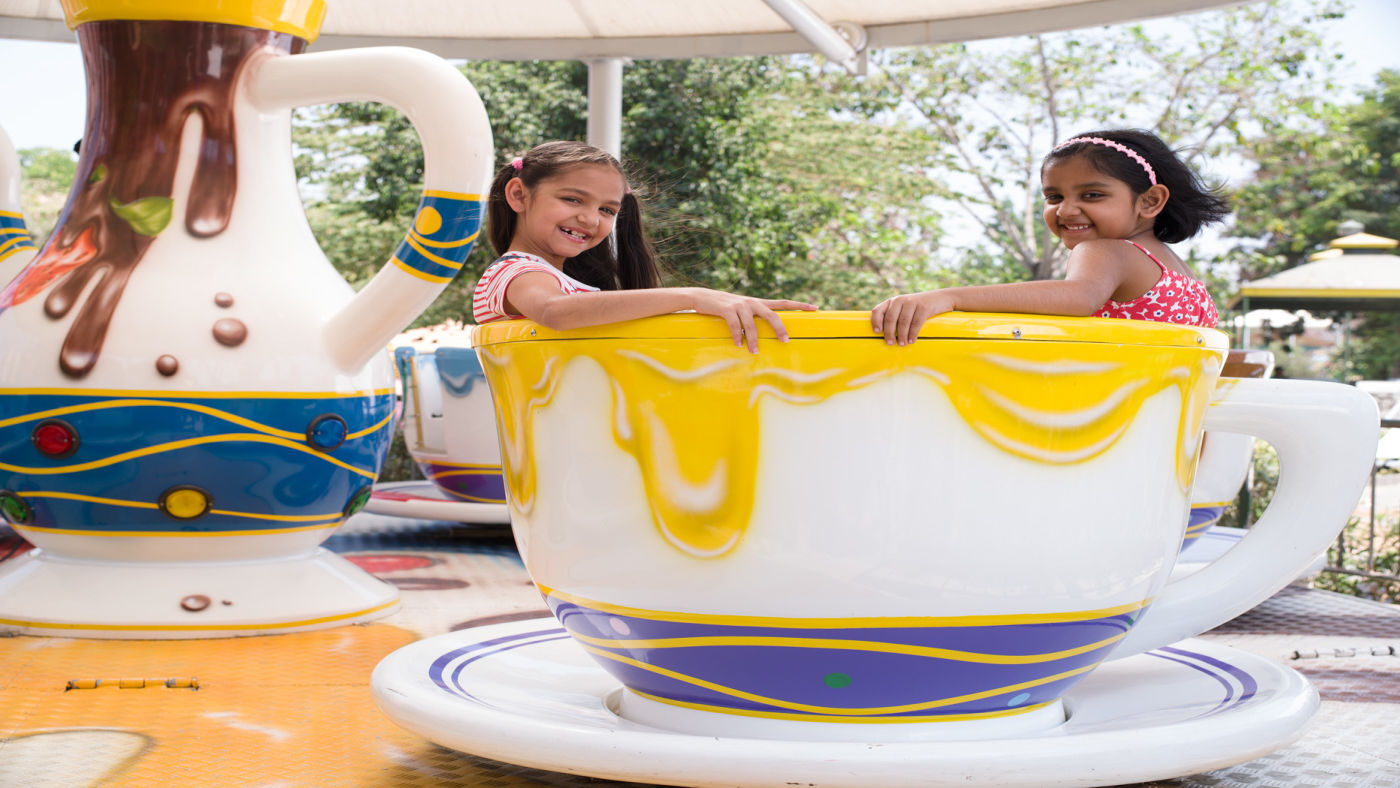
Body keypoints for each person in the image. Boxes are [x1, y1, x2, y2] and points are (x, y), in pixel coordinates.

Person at [870, 129, 1228, 345]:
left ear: (1150, 201)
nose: (1066, 210)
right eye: (1054, 197)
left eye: (1092, 195)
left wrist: (948, 298)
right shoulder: (1176, 271)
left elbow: (1079, 297)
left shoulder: (1107, 251)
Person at [472, 141, 814, 352]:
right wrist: (693, 296)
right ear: (519, 195)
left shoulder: (566, 283)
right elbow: (553, 311)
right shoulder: (515, 270)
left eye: (607, 210)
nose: (591, 220)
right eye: (573, 199)